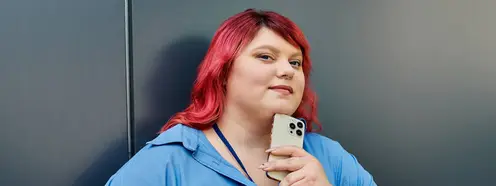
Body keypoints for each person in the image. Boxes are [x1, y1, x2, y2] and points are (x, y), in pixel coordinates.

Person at [105, 8, 376, 186]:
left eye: (296, 63)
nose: (287, 71)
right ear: (222, 72)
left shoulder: (330, 158)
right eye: (266, 56)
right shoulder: (170, 160)